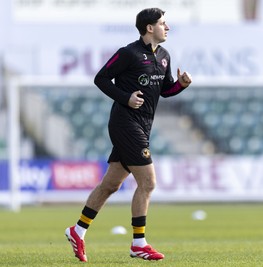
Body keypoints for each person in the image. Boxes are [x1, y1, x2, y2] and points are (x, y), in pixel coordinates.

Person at [65, 7, 192, 262]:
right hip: (125, 123)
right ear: (149, 28)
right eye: (163, 24)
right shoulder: (128, 53)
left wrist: (180, 85)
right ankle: (138, 243)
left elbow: (164, 90)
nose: (167, 28)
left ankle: (77, 231)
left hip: (144, 124)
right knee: (148, 183)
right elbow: (101, 78)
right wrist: (126, 98)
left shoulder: (164, 56)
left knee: (111, 185)